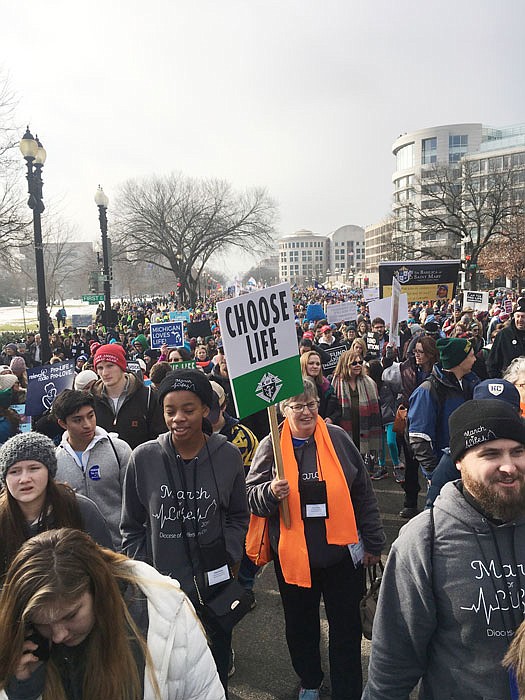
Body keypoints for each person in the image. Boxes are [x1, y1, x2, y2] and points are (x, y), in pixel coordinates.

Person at [363, 399, 525, 700]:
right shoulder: (424, 541)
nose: (509, 466)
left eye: (518, 451)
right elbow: (392, 669)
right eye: (490, 454)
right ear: (460, 462)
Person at [246, 378, 385, 700]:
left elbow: (362, 492)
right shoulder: (271, 445)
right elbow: (249, 496)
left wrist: (374, 543)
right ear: (284, 409)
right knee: (300, 627)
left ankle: (347, 688)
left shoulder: (336, 438)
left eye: (312, 405)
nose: (307, 411)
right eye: (298, 406)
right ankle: (309, 680)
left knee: (346, 629)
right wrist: (269, 492)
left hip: (341, 556)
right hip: (294, 559)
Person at [120, 369, 249, 694]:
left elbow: (238, 515)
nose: (178, 418)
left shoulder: (228, 456)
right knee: (166, 677)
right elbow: (131, 526)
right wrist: (147, 574)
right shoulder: (143, 458)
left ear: (206, 409)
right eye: (170, 411)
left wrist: (229, 553)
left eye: (188, 410)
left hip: (214, 591)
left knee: (213, 673)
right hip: (161, 596)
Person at [0, 528, 225, 700]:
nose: (58, 636)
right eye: (43, 623)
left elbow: (204, 693)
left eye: (70, 616)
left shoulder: (165, 612)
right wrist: (22, 688)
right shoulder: (25, 647)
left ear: (99, 591)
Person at [0, 432, 112, 580]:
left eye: (34, 468)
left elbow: (109, 571)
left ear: (49, 471)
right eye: (15, 471)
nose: (24, 479)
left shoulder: (80, 509)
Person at [53, 389, 132, 550]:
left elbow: (135, 502)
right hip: (77, 553)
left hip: (121, 548)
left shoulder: (119, 449)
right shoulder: (54, 461)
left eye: (91, 415)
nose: (87, 425)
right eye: (77, 420)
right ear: (63, 423)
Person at [408, 337, 478, 482]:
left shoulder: (472, 383)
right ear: (460, 361)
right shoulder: (427, 391)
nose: (475, 359)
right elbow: (419, 437)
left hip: (467, 468)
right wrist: (434, 473)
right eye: (471, 355)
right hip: (445, 473)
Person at [383, 335, 438, 518]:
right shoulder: (406, 369)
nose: (416, 355)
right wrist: (388, 357)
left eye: (420, 352)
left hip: (434, 423)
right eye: (415, 351)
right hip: (411, 424)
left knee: (435, 466)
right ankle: (410, 502)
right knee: (411, 466)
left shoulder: (440, 371)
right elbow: (385, 375)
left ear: (431, 354)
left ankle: (437, 505)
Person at [90, 343, 165, 449]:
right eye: (100, 368)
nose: (105, 373)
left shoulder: (148, 396)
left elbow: (159, 437)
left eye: (110, 366)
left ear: (122, 366)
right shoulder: (90, 399)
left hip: (140, 462)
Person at [331, 349, 382, 467]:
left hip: (365, 427)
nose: (358, 365)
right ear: (345, 364)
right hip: (344, 428)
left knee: (361, 464)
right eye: (354, 363)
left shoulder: (369, 382)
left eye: (360, 362)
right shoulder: (335, 382)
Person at [487, 297, 525, 377]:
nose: (520, 319)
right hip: (509, 380)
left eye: (523, 317)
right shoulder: (504, 334)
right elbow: (492, 362)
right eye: (518, 316)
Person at [300, 351, 341, 424]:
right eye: (311, 363)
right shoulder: (296, 388)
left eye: (318, 364)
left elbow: (338, 409)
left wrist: (331, 418)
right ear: (304, 365)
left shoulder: (326, 386)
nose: (315, 366)